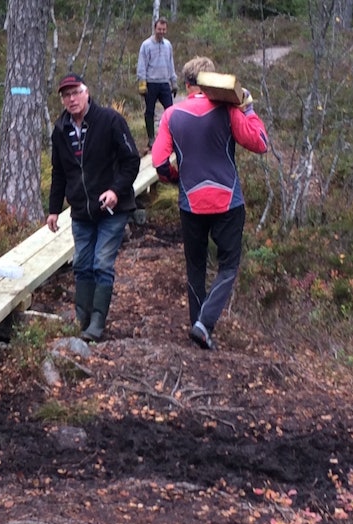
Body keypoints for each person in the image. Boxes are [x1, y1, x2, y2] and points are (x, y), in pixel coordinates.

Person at [151, 57, 269, 351]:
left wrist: (179, 179)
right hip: (228, 200)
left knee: (195, 266)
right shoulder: (228, 110)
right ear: (210, 81)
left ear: (187, 84)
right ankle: (204, 324)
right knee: (228, 266)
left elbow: (159, 164)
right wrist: (249, 109)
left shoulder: (171, 115)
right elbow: (260, 143)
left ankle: (197, 326)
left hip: (190, 202)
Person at [46, 73, 142, 342]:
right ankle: (82, 318)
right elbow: (59, 172)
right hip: (80, 210)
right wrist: (54, 209)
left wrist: (115, 190)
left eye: (76, 92)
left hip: (113, 208)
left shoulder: (110, 121)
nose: (72, 99)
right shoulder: (60, 130)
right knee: (82, 264)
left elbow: (131, 161)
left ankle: (97, 322)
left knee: (102, 263)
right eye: (66, 95)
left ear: (87, 93)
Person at [136, 18, 177, 150]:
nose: (161, 32)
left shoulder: (168, 45)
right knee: (149, 112)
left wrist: (174, 82)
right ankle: (151, 139)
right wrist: (142, 84)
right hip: (151, 83)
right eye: (159, 29)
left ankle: (172, 137)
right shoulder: (146, 45)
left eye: (164, 29)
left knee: (171, 111)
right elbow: (142, 65)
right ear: (155, 28)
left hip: (164, 83)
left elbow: (171, 64)